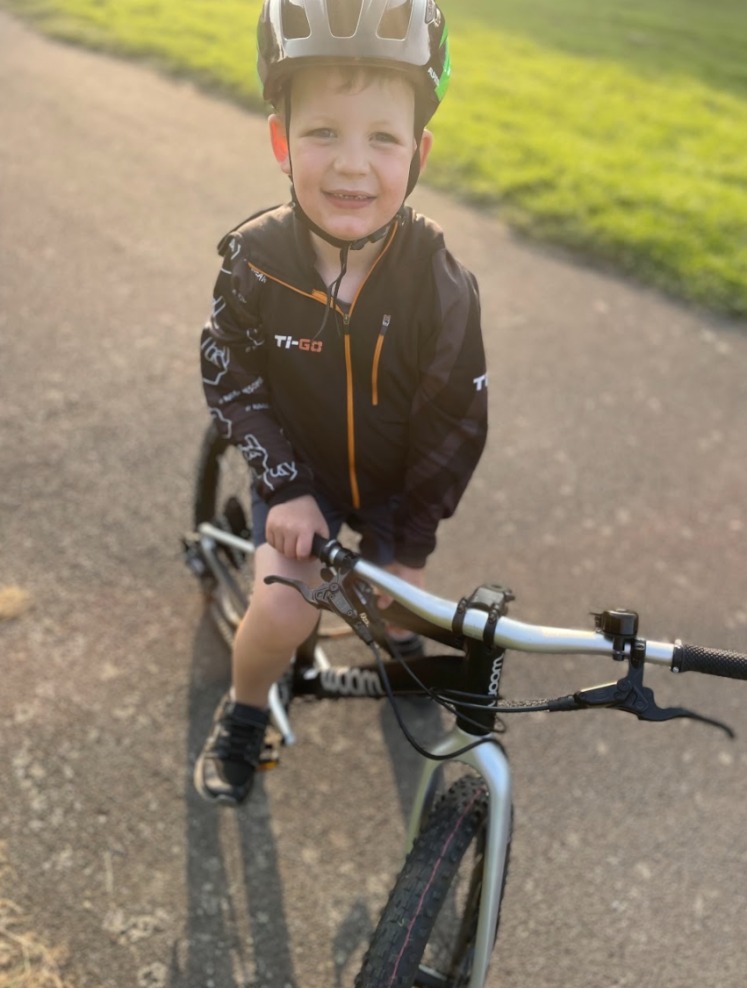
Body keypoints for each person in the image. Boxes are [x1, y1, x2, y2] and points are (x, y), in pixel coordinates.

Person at [194, 0, 488, 806]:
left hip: (396, 481)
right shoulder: (254, 261)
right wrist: (283, 482)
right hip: (300, 477)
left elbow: (453, 423)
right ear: (281, 140)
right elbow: (228, 373)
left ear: (419, 151)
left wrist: (409, 540)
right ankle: (245, 708)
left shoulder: (438, 283)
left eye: (382, 138)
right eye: (324, 132)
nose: (353, 166)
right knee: (287, 614)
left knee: (399, 602)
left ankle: (393, 633)